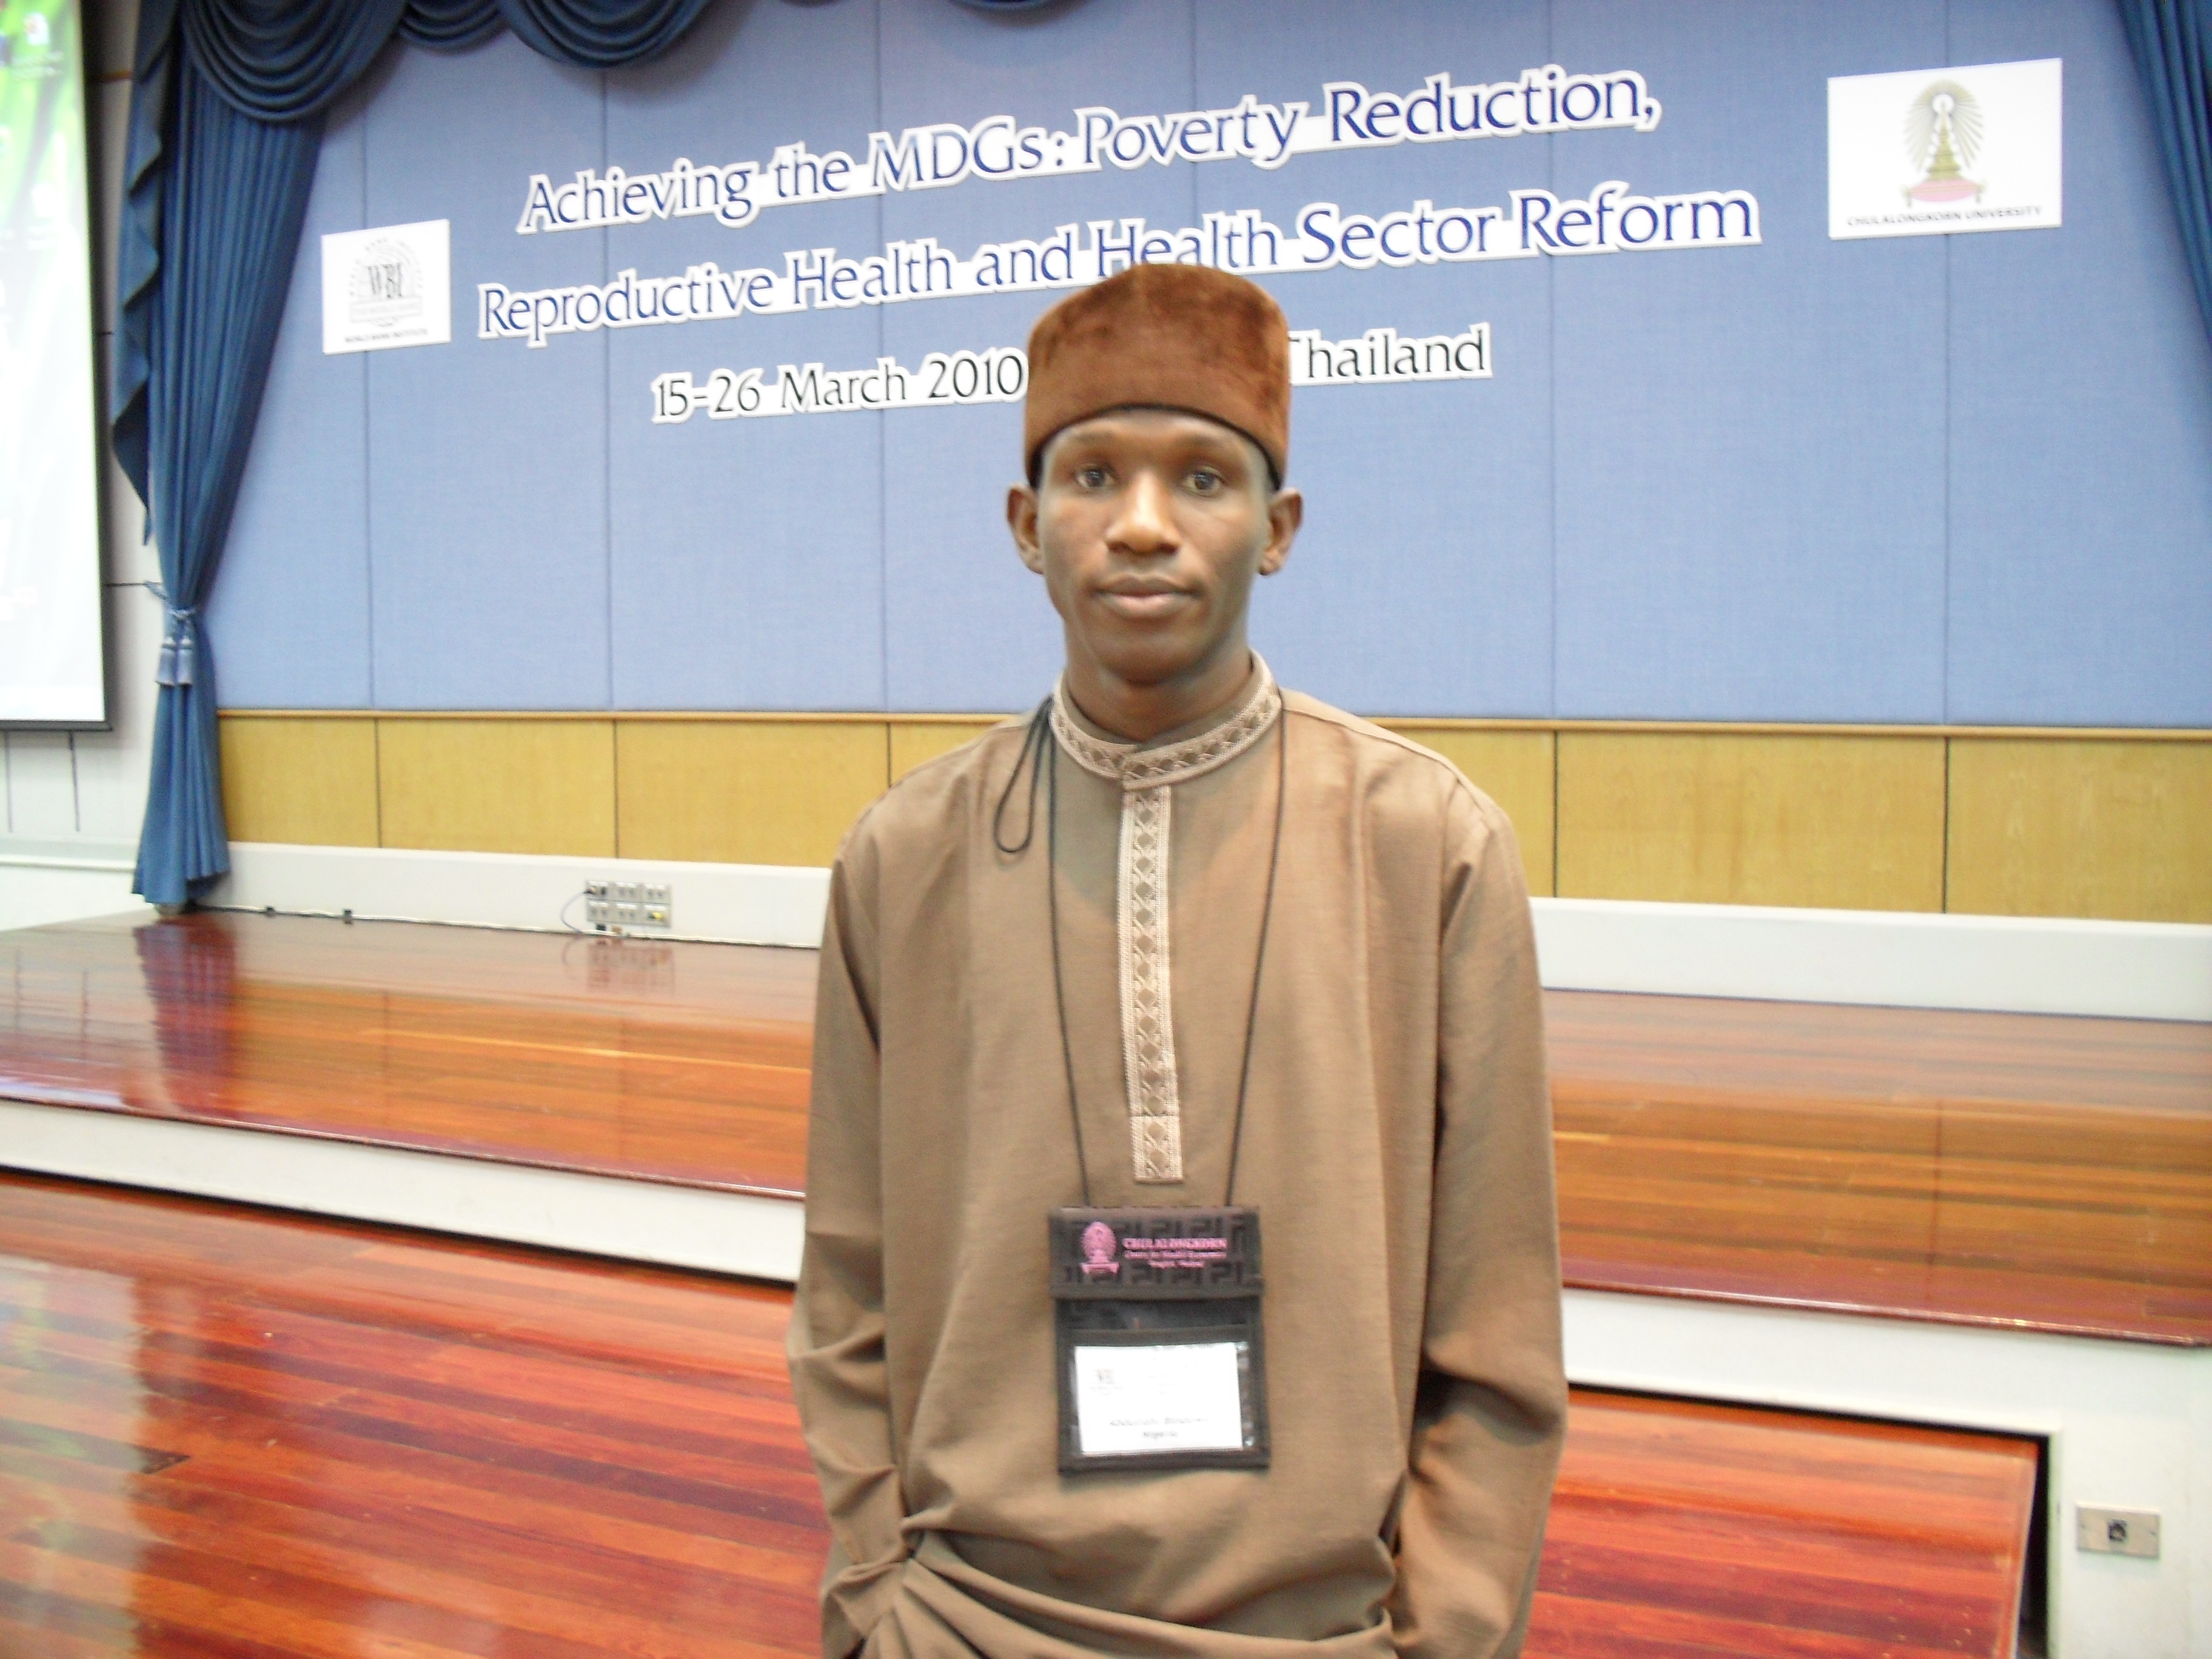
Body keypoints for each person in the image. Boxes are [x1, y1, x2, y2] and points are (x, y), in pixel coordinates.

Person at [789, 262, 1564, 1659]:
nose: (1142, 525)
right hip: (965, 1617)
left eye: (1203, 480)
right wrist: (875, 1594)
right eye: (1093, 475)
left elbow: (1494, 1324)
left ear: (1279, 529)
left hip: (1325, 1632)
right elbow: (849, 1283)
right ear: (1026, 526)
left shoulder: (1427, 842)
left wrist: (1442, 1633)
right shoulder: (904, 857)